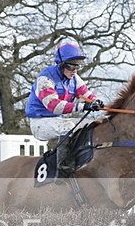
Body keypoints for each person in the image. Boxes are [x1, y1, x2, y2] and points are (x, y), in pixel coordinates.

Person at [25, 40, 104, 174]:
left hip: (57, 120)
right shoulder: (45, 79)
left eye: (77, 67)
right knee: (67, 127)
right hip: (39, 123)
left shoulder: (74, 78)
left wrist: (96, 101)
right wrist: (82, 106)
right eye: (71, 67)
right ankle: (63, 167)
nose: (74, 71)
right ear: (61, 65)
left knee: (91, 124)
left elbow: (86, 94)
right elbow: (54, 106)